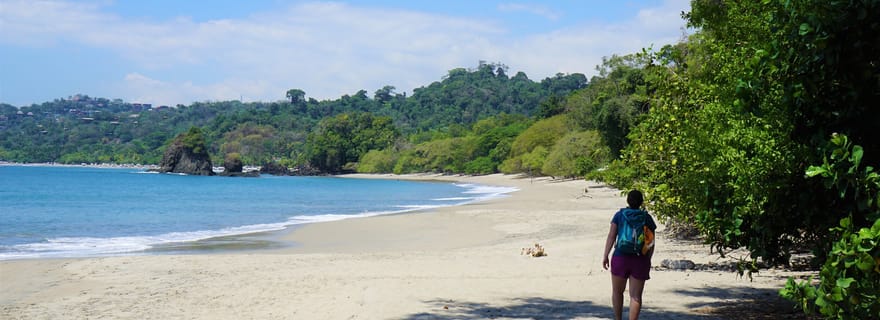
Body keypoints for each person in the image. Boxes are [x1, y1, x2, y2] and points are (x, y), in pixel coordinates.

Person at [602, 190, 656, 320]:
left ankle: (618, 318)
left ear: (627, 200)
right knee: (635, 296)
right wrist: (647, 259)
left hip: (620, 257)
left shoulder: (619, 215)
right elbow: (651, 242)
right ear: (641, 202)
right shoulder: (646, 217)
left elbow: (611, 236)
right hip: (640, 259)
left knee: (617, 291)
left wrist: (605, 255)